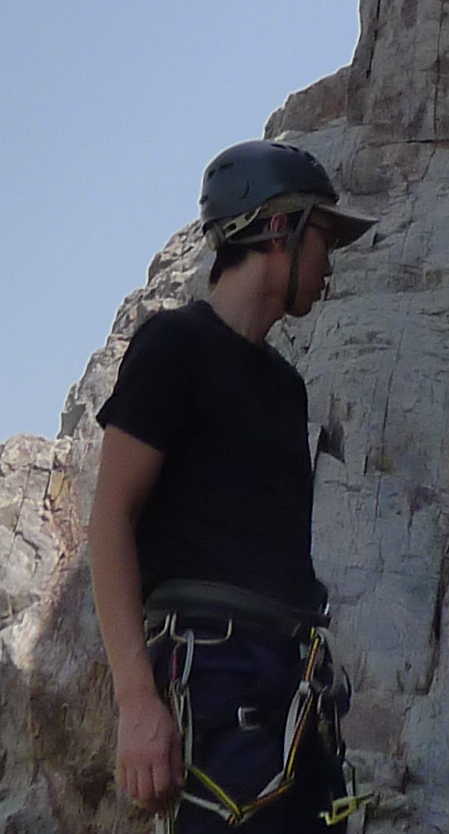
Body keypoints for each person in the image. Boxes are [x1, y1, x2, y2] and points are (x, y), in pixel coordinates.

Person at [92, 141, 376, 828]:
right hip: (213, 682)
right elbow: (110, 520)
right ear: (279, 229)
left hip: (292, 687)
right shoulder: (173, 346)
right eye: (324, 237)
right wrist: (136, 700)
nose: (330, 263)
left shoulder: (284, 387)